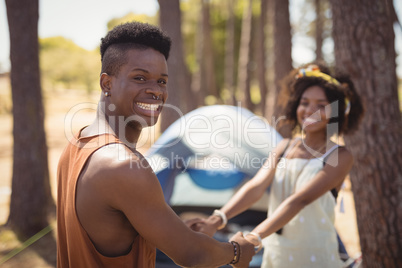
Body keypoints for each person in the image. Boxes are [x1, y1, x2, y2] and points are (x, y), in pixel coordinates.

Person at [57, 21, 255, 268]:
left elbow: (109, 228)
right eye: (140, 78)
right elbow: (193, 255)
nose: (155, 91)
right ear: (106, 83)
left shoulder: (78, 142)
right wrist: (237, 251)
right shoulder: (123, 165)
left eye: (162, 81)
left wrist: (174, 230)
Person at [188, 63, 364, 268]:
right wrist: (216, 219)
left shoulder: (340, 156)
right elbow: (256, 186)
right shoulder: (284, 147)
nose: (310, 111)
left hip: (315, 254)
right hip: (277, 251)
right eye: (304, 102)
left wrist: (254, 237)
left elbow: (300, 200)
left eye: (321, 105)